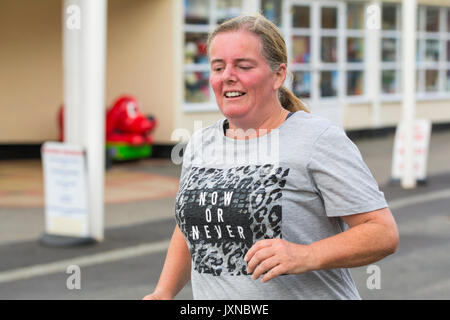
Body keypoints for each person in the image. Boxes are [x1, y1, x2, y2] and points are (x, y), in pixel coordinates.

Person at [143, 13, 399, 300]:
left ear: (277, 75)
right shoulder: (201, 143)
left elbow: (381, 233)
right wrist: (163, 292)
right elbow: (191, 225)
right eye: (218, 67)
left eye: (243, 65)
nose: (228, 75)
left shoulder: (317, 139)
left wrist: (307, 255)